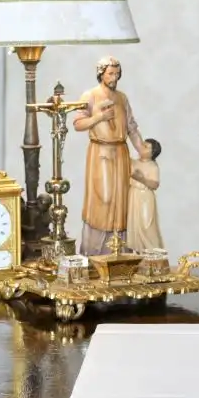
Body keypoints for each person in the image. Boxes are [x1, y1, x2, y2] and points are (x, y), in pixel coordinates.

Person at [71, 56, 143, 255]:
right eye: (111, 73)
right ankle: (96, 250)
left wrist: (142, 149)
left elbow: (132, 127)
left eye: (117, 73)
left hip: (120, 152)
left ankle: (119, 251)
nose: (114, 77)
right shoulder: (90, 95)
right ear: (101, 73)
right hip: (101, 152)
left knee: (121, 199)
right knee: (103, 197)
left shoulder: (122, 97)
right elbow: (78, 123)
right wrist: (99, 117)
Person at [125, 137, 163, 253]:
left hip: (145, 197)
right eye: (143, 144)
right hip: (133, 195)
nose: (142, 147)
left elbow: (155, 184)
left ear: (152, 153)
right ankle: (139, 254)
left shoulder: (152, 166)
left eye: (146, 147)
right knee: (134, 225)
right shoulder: (133, 162)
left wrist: (142, 179)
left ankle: (154, 253)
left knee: (147, 225)